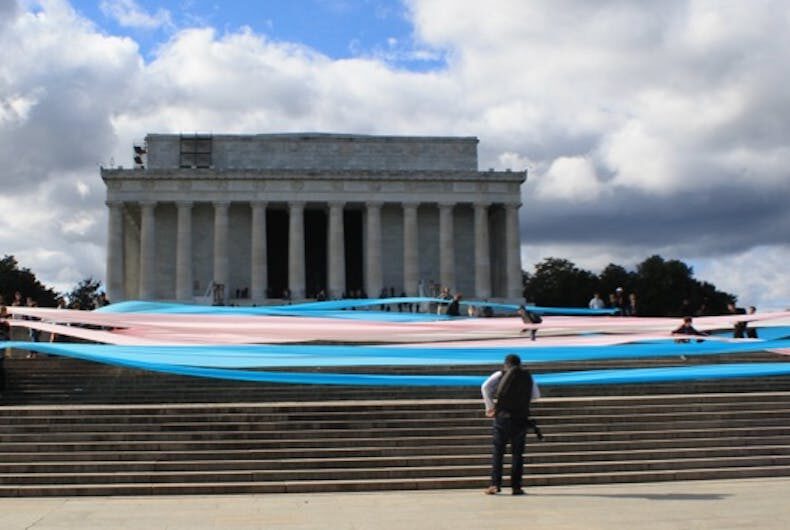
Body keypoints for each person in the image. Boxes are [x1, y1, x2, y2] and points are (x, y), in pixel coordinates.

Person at [481, 354, 541, 495]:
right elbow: (536, 395)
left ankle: (495, 485)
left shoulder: (499, 374)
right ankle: (516, 486)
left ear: (505, 364)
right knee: (518, 453)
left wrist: (490, 407)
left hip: (502, 418)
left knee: (498, 452)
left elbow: (485, 387)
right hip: (520, 418)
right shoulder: (528, 376)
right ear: (520, 364)